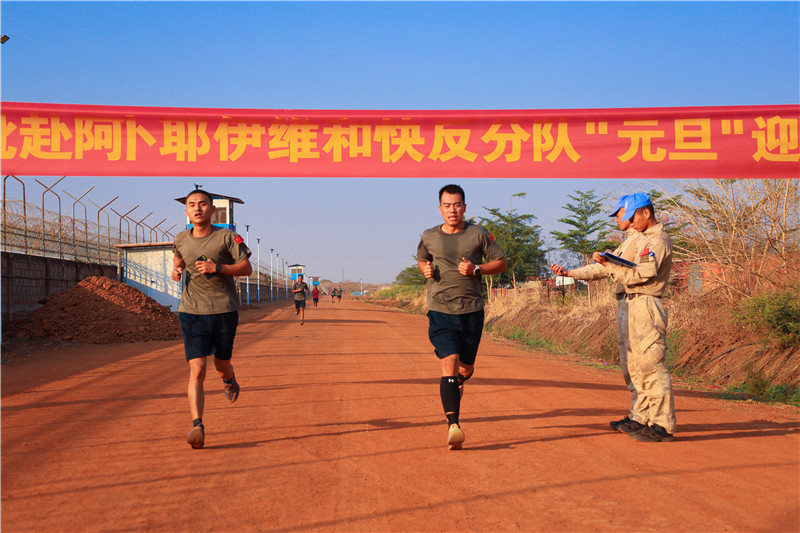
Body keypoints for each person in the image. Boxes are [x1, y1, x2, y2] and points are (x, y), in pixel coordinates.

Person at [417, 184, 507, 450]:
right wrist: (425, 269)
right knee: (450, 361)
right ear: (440, 209)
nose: (452, 210)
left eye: (457, 205)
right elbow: (422, 259)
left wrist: (476, 269)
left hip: (471, 311)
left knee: (465, 369)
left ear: (464, 207)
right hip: (440, 309)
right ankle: (453, 426)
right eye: (447, 205)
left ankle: (456, 385)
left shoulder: (478, 234)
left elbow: (501, 263)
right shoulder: (429, 236)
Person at [550, 195, 641, 432]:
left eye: (619, 214)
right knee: (629, 363)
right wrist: (570, 273)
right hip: (625, 301)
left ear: (633, 212)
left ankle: (645, 418)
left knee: (639, 364)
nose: (616, 219)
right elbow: (601, 269)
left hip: (637, 303)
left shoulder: (641, 241)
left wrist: (605, 264)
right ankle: (637, 414)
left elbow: (611, 270)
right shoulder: (628, 242)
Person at [171, 189, 252, 450]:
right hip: (191, 311)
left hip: (223, 310)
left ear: (212, 210)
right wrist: (177, 269)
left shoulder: (227, 237)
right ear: (186, 211)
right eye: (192, 205)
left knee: (220, 365)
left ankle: (228, 378)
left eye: (203, 204)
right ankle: (197, 425)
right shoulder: (181, 238)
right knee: (197, 369)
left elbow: (247, 268)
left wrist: (217, 267)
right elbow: (179, 258)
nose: (197, 208)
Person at [595, 192, 676, 442]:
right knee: (635, 366)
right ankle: (641, 417)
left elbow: (642, 274)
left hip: (647, 304)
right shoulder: (641, 240)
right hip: (633, 304)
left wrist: (610, 267)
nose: (629, 223)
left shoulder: (659, 241)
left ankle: (662, 424)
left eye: (632, 217)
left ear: (646, 213)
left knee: (651, 364)